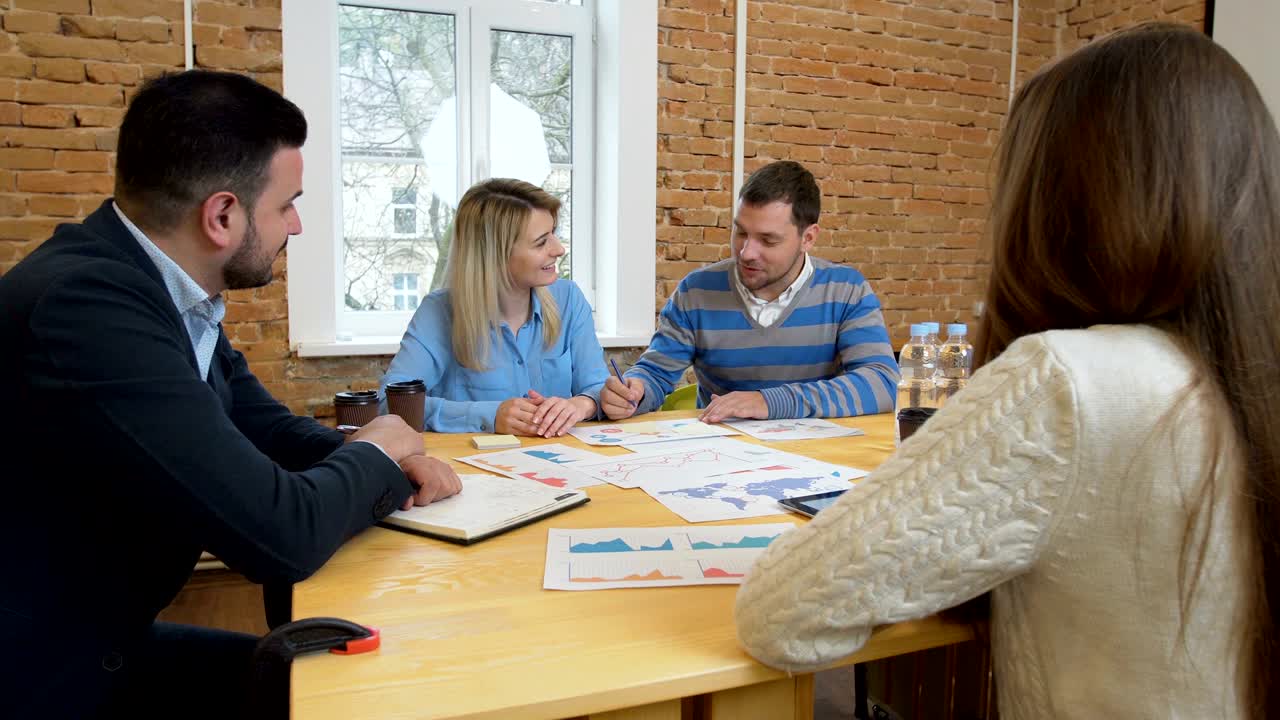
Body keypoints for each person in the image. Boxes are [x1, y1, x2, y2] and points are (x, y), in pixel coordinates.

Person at [734, 23, 1274, 719]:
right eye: (741, 236)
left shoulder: (1067, 382)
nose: (749, 252)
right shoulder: (1234, 372)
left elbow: (779, 612)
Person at [0, 70, 462, 719]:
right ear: (221, 215)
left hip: (101, 641)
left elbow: (267, 432)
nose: (296, 226)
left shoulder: (159, 294)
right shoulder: (85, 308)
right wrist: (382, 447)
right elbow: (280, 535)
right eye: (287, 204)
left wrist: (378, 454)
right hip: (46, 675)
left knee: (334, 674)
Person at [599, 160, 899, 424]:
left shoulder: (846, 290)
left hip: (819, 460)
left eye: (768, 240)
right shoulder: (697, 291)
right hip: (722, 460)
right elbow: (655, 373)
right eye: (741, 232)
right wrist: (634, 391)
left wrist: (770, 402)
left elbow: (882, 383)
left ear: (807, 238)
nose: (746, 252)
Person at [381, 178, 609, 437]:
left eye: (554, 234)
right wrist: (489, 415)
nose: (559, 249)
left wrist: (582, 404)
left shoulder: (568, 298)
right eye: (541, 242)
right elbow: (388, 405)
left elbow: (597, 387)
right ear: (495, 255)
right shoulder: (439, 312)